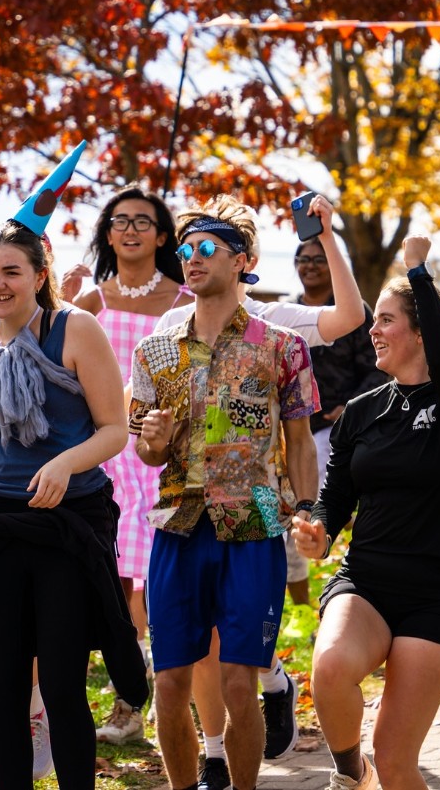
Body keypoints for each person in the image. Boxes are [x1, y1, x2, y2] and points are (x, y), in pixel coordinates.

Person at [151, 193, 364, 785]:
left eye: (206, 248)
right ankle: (200, 766)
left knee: (239, 671)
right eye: (184, 249)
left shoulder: (282, 336)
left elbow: (301, 438)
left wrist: (306, 507)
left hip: (256, 517)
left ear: (242, 259)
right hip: (179, 518)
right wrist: (153, 439)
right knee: (178, 671)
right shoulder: (165, 337)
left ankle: (249, 741)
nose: (190, 258)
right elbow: (146, 439)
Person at [0, 209, 147, 786]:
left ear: (39, 274)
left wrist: (63, 462)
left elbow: (114, 427)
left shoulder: (76, 329)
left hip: (68, 529)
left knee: (60, 686)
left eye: (11, 271)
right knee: (3, 685)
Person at [293, 233, 440, 790]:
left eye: (385, 320)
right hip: (369, 581)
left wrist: (419, 272)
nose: (372, 330)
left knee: (399, 764)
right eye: (373, 320)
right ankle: (350, 772)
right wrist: (319, 530)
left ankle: (376, 768)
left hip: (438, 593)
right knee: (330, 670)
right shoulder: (361, 411)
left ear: (422, 330)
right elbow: (336, 497)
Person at [59, 187, 193, 745]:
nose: (131, 230)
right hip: (107, 458)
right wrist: (59, 301)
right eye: (120, 221)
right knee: (115, 584)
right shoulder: (91, 301)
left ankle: (172, 697)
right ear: (108, 234)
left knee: (159, 584)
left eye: (145, 221)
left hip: (168, 456)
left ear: (163, 236)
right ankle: (128, 700)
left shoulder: (186, 298)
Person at [292, 234, 385, 598]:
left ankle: (336, 588)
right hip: (291, 431)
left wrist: (352, 405)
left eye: (319, 259)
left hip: (338, 430)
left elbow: (380, 367)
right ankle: (297, 610)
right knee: (290, 521)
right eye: (304, 258)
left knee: (330, 513)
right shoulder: (289, 312)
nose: (310, 265)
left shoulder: (353, 312)